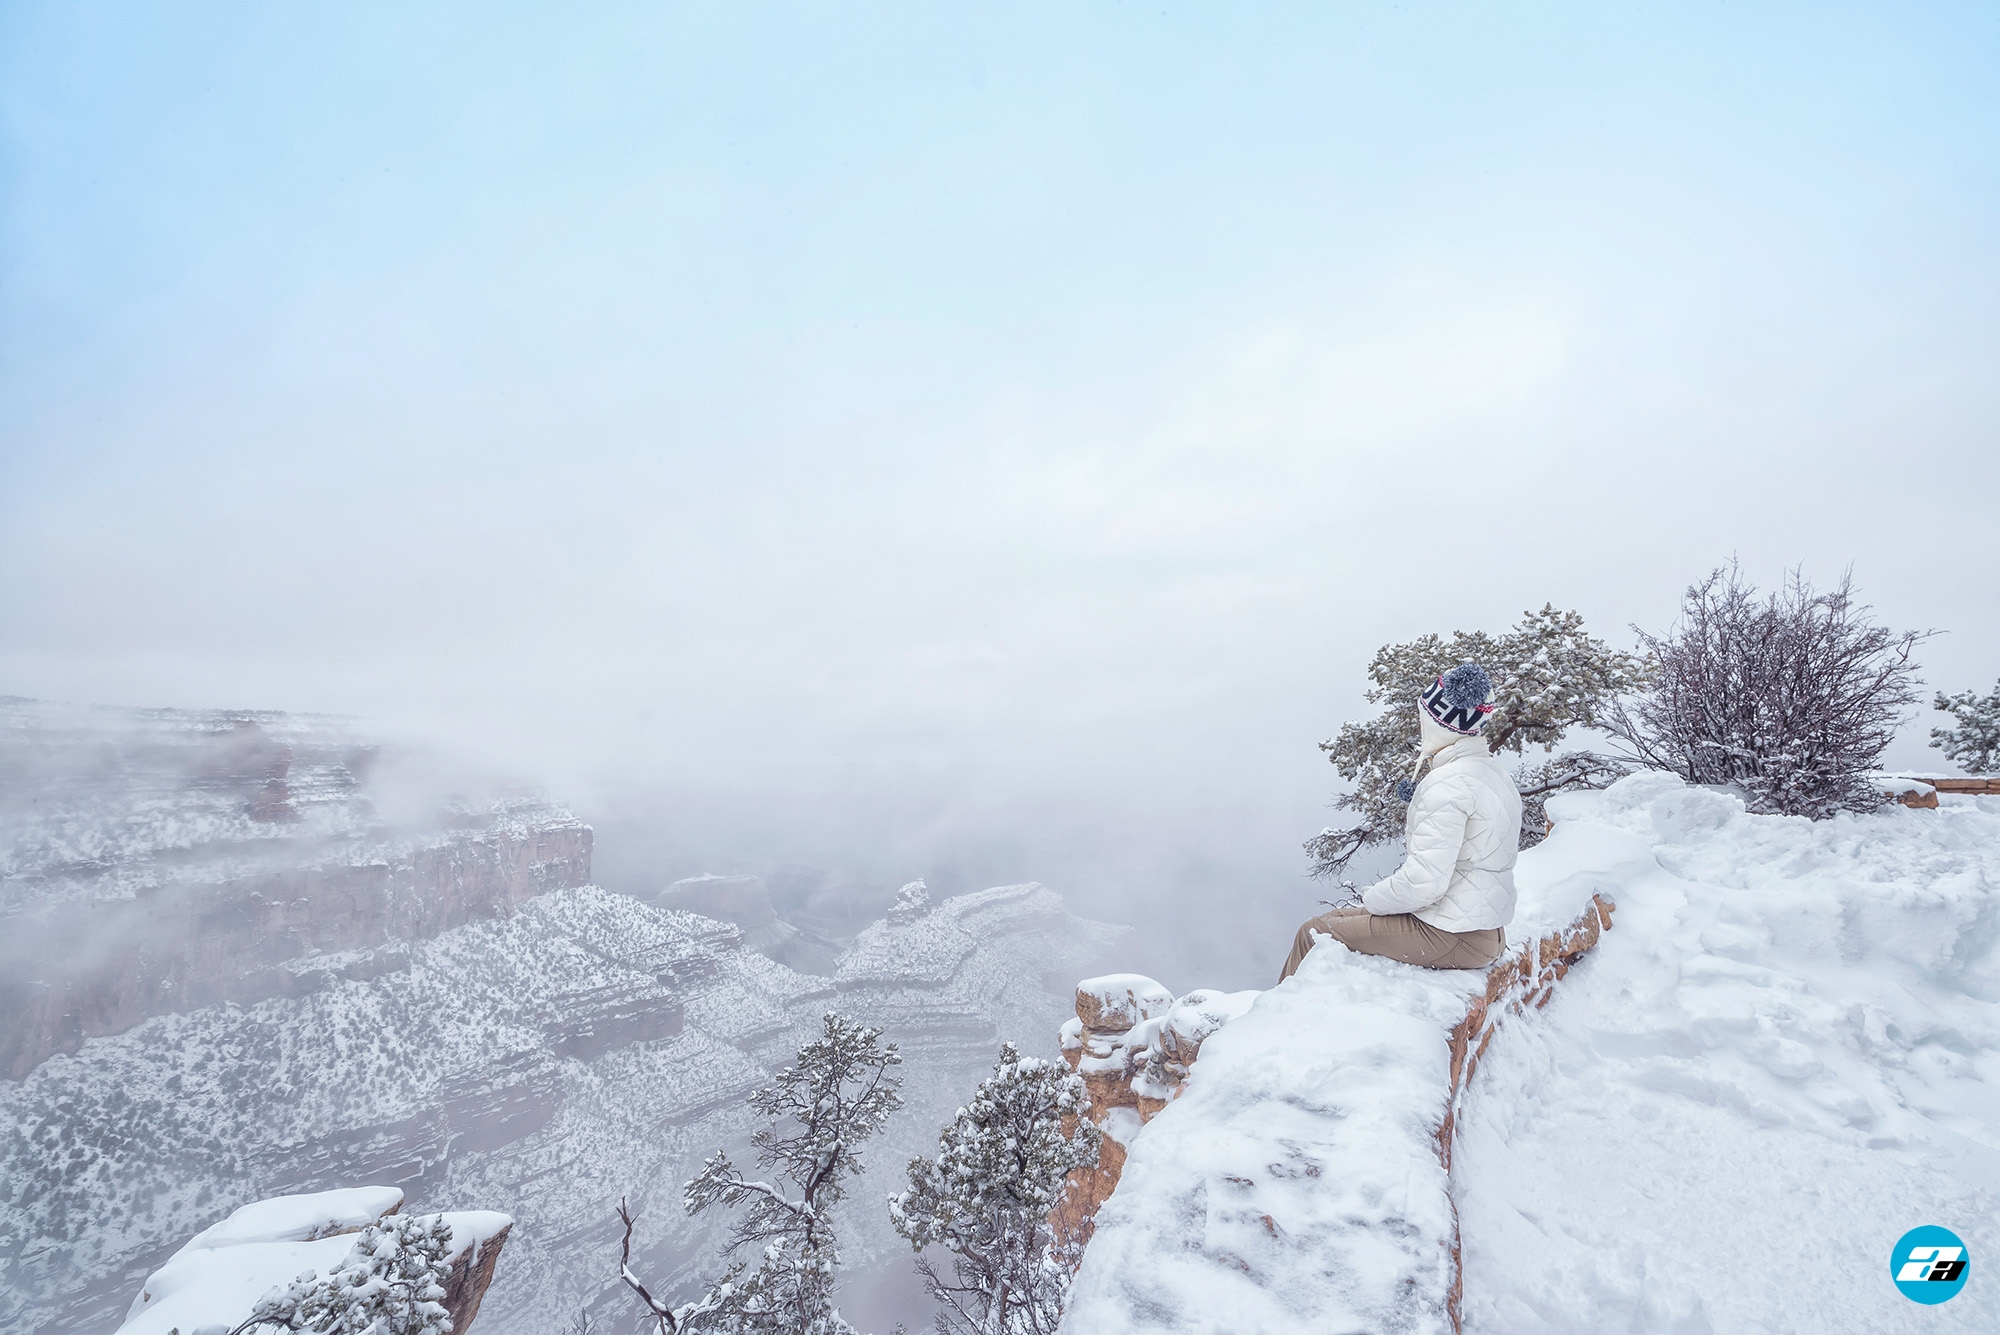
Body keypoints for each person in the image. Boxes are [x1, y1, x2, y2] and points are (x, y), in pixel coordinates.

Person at [1280, 663, 1523, 981]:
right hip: (1481, 929)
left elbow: (1424, 883)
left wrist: (1372, 897)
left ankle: (1274, 1023)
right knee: (1332, 920)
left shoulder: (1447, 785)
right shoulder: (1493, 773)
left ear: (1442, 725)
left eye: (1425, 719)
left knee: (1313, 933)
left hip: (1453, 935)